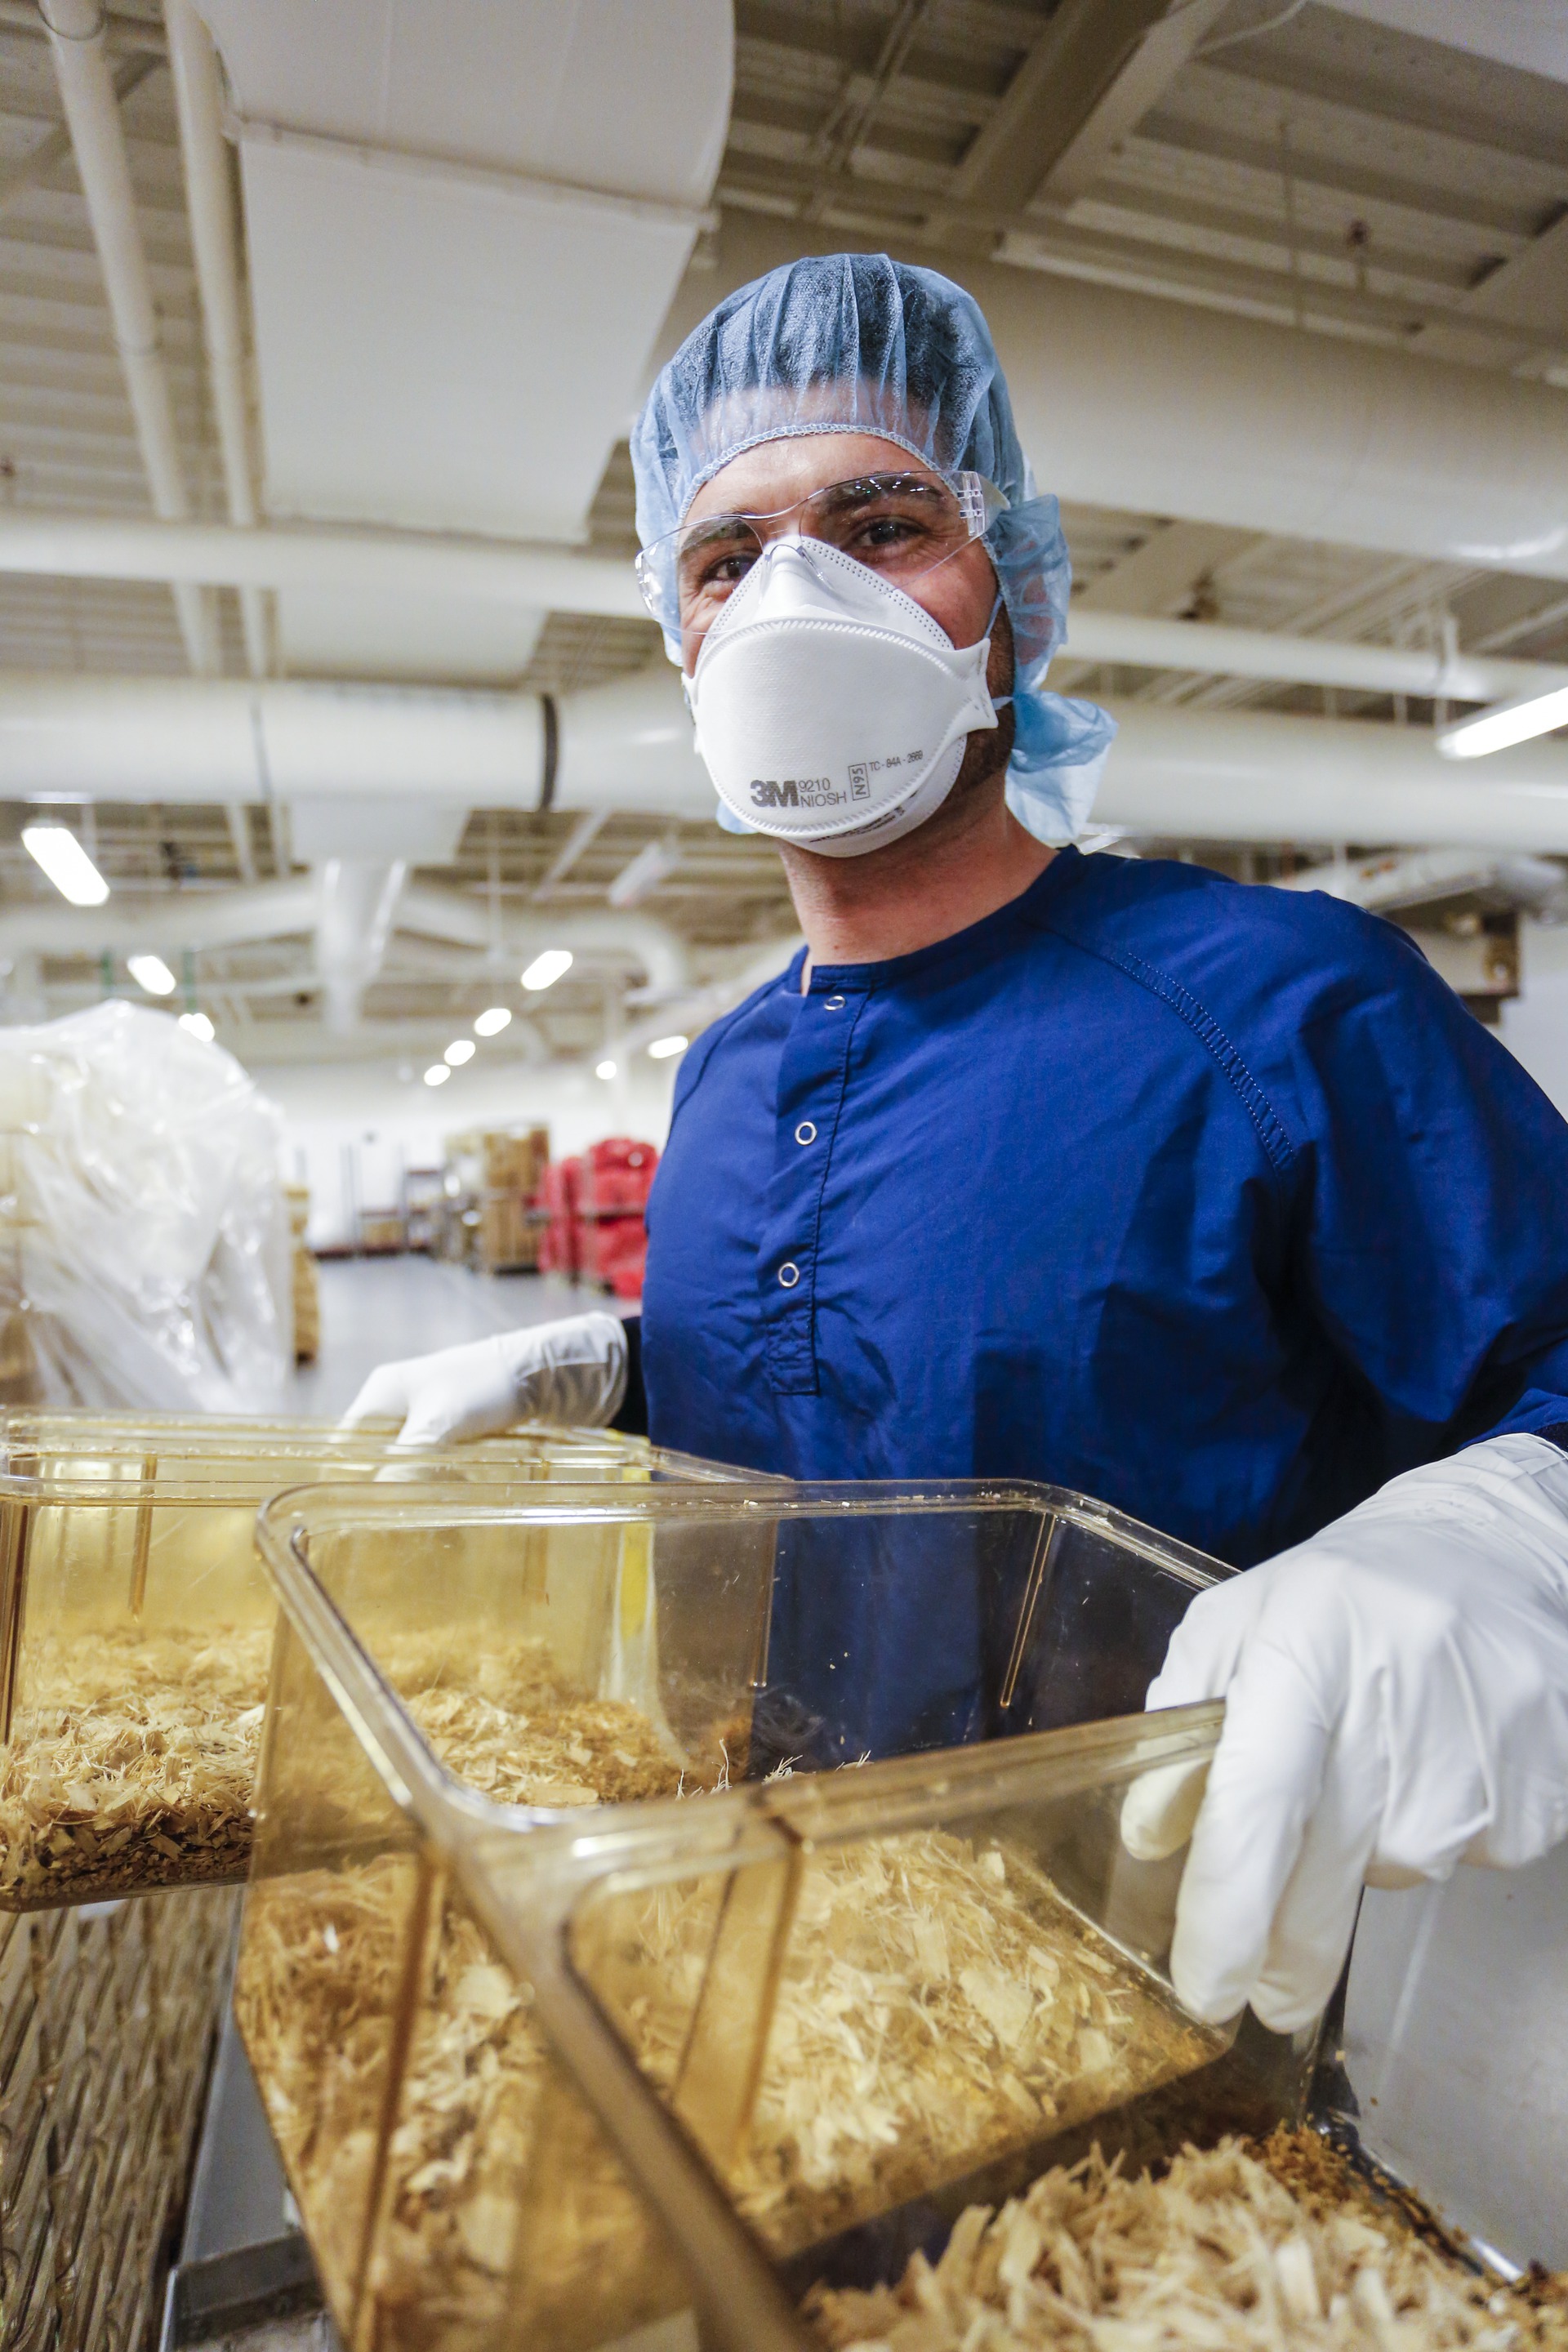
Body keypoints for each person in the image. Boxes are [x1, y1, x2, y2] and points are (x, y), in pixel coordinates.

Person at [345, 254, 1568, 2041]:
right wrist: (628, 1375)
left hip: (1136, 2005)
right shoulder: (726, 1072)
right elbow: (892, 1373)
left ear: (1019, 596)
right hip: (745, 1961)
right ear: (679, 638)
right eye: (726, 557)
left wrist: (1497, 1549)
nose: (793, 597)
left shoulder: (1284, 1008)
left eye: (882, 522)